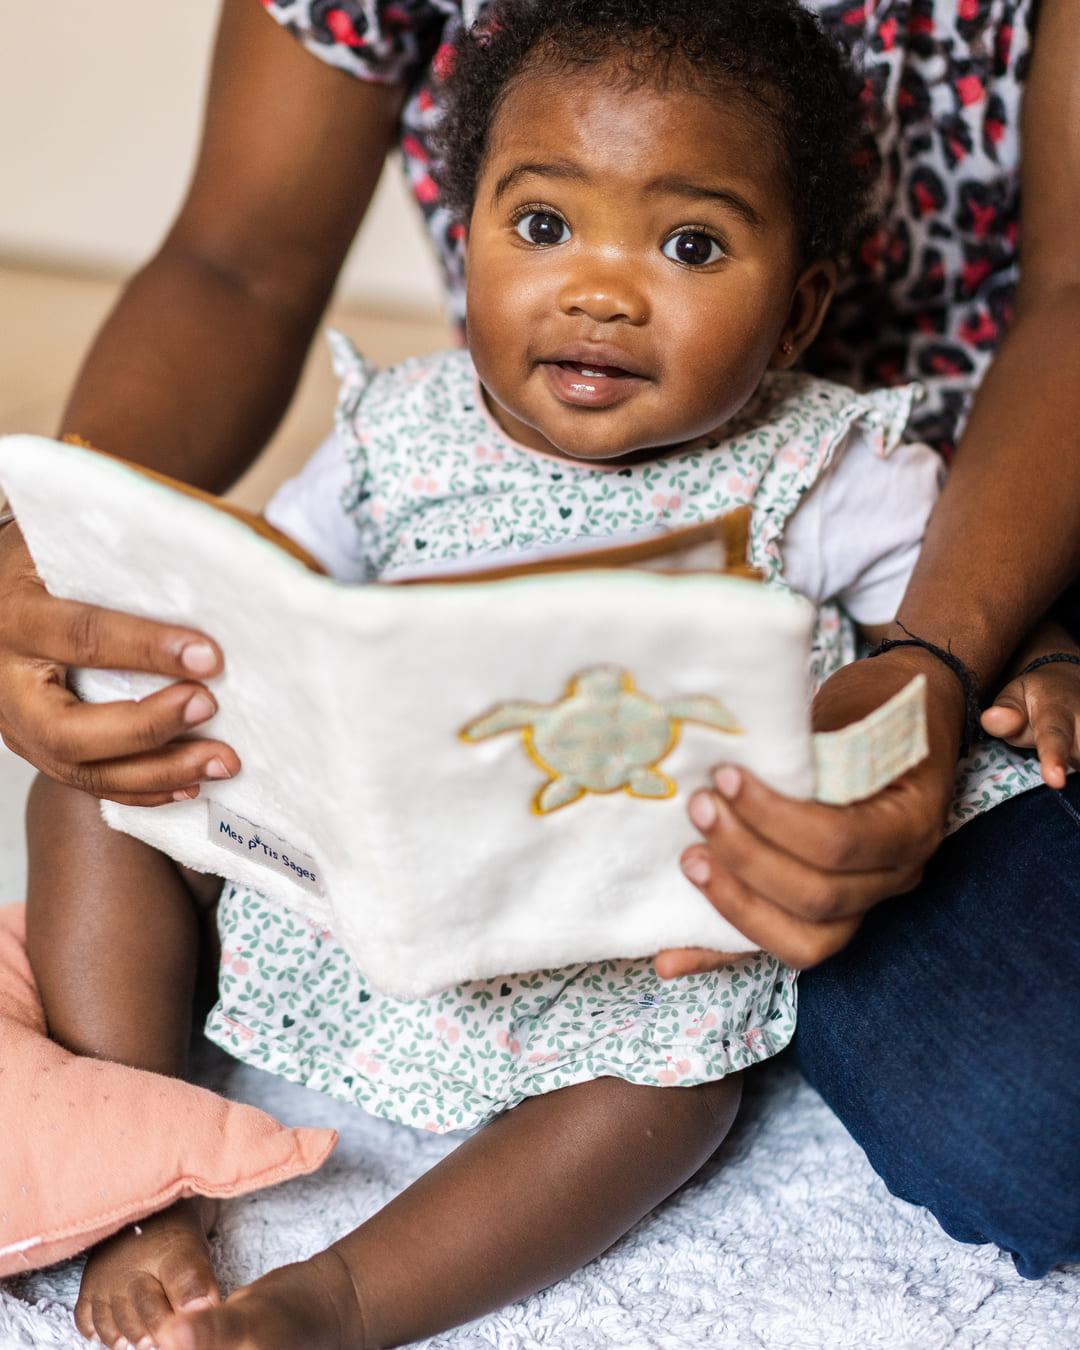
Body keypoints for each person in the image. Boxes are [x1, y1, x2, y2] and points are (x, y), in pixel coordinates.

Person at [4, 0, 1077, 1316]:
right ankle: (140, 1186)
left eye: (688, 243)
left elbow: (963, 616)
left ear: (799, 312)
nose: (598, 288)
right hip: (384, 870)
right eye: (544, 225)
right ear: (470, 245)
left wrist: (1036, 659)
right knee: (90, 793)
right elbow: (267, 597)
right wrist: (96, 585)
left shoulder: (828, 466)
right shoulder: (397, 433)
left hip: (632, 925)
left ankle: (340, 1296)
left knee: (677, 1091)